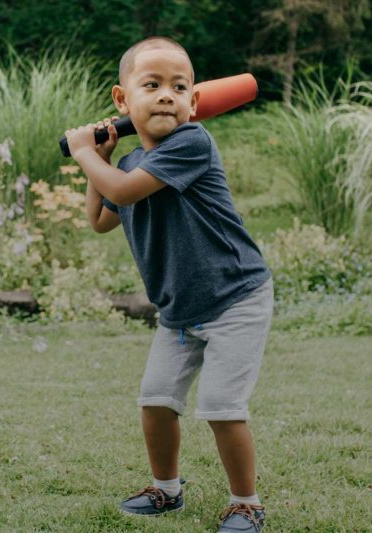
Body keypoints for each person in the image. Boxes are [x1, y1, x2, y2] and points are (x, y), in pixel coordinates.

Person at [64, 36, 274, 533]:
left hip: (235, 298)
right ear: (122, 100)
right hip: (179, 311)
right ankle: (166, 490)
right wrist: (104, 158)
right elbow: (100, 217)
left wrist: (81, 154)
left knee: (222, 407)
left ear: (194, 103)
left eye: (179, 87)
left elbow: (121, 191)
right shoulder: (132, 164)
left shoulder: (192, 143)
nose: (166, 95)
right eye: (152, 85)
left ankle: (247, 502)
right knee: (156, 401)